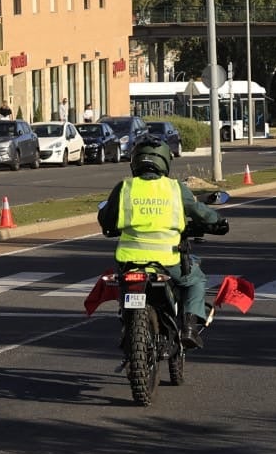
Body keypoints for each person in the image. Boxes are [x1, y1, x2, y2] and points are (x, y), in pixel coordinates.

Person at [97, 136, 227, 348]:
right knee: (195, 281)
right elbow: (198, 211)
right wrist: (218, 221)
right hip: (168, 261)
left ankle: (126, 320)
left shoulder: (124, 187)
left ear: (135, 161)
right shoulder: (175, 188)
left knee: (122, 283)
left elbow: (106, 219)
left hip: (129, 262)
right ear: (165, 161)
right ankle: (189, 328)